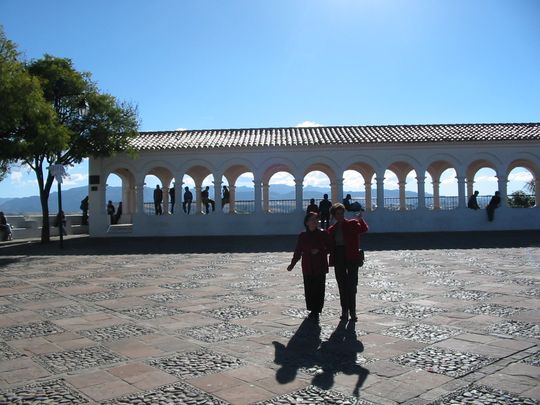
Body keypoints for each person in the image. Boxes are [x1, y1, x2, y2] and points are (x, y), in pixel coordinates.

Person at [287, 212, 333, 322]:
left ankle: (317, 310)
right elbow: (298, 251)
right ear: (307, 222)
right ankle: (311, 308)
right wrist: (292, 264)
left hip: (320, 265)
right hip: (307, 265)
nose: (314, 222)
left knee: (319, 288)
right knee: (309, 288)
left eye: (316, 219)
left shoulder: (323, 234)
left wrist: (321, 250)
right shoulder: (303, 236)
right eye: (312, 220)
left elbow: (331, 247)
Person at [328, 203, 369, 322]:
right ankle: (344, 311)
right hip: (339, 257)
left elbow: (364, 229)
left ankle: (353, 311)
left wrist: (360, 219)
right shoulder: (332, 229)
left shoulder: (351, 223)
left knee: (352, 285)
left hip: (352, 257)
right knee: (342, 285)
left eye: (342, 213)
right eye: (338, 214)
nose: (340, 216)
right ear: (334, 215)